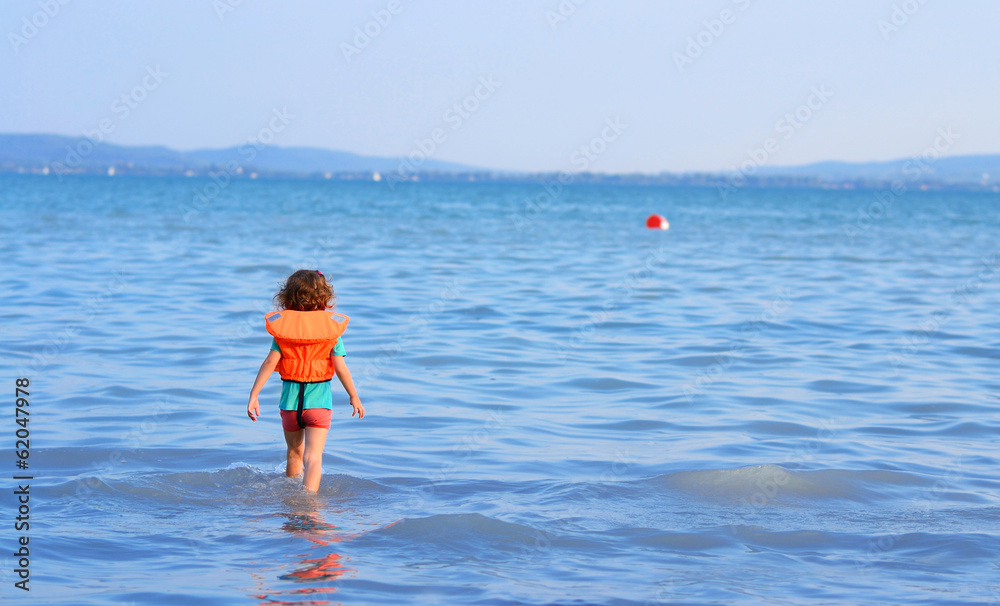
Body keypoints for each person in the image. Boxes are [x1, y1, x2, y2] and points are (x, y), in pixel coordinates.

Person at [246, 269, 364, 491]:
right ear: (324, 297)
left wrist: (254, 395)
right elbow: (341, 369)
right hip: (318, 405)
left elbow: (269, 363)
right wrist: (353, 396)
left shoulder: (283, 334)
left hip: (290, 406)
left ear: (287, 297)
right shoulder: (332, 334)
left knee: (294, 454)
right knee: (313, 456)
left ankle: (290, 498)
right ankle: (308, 502)